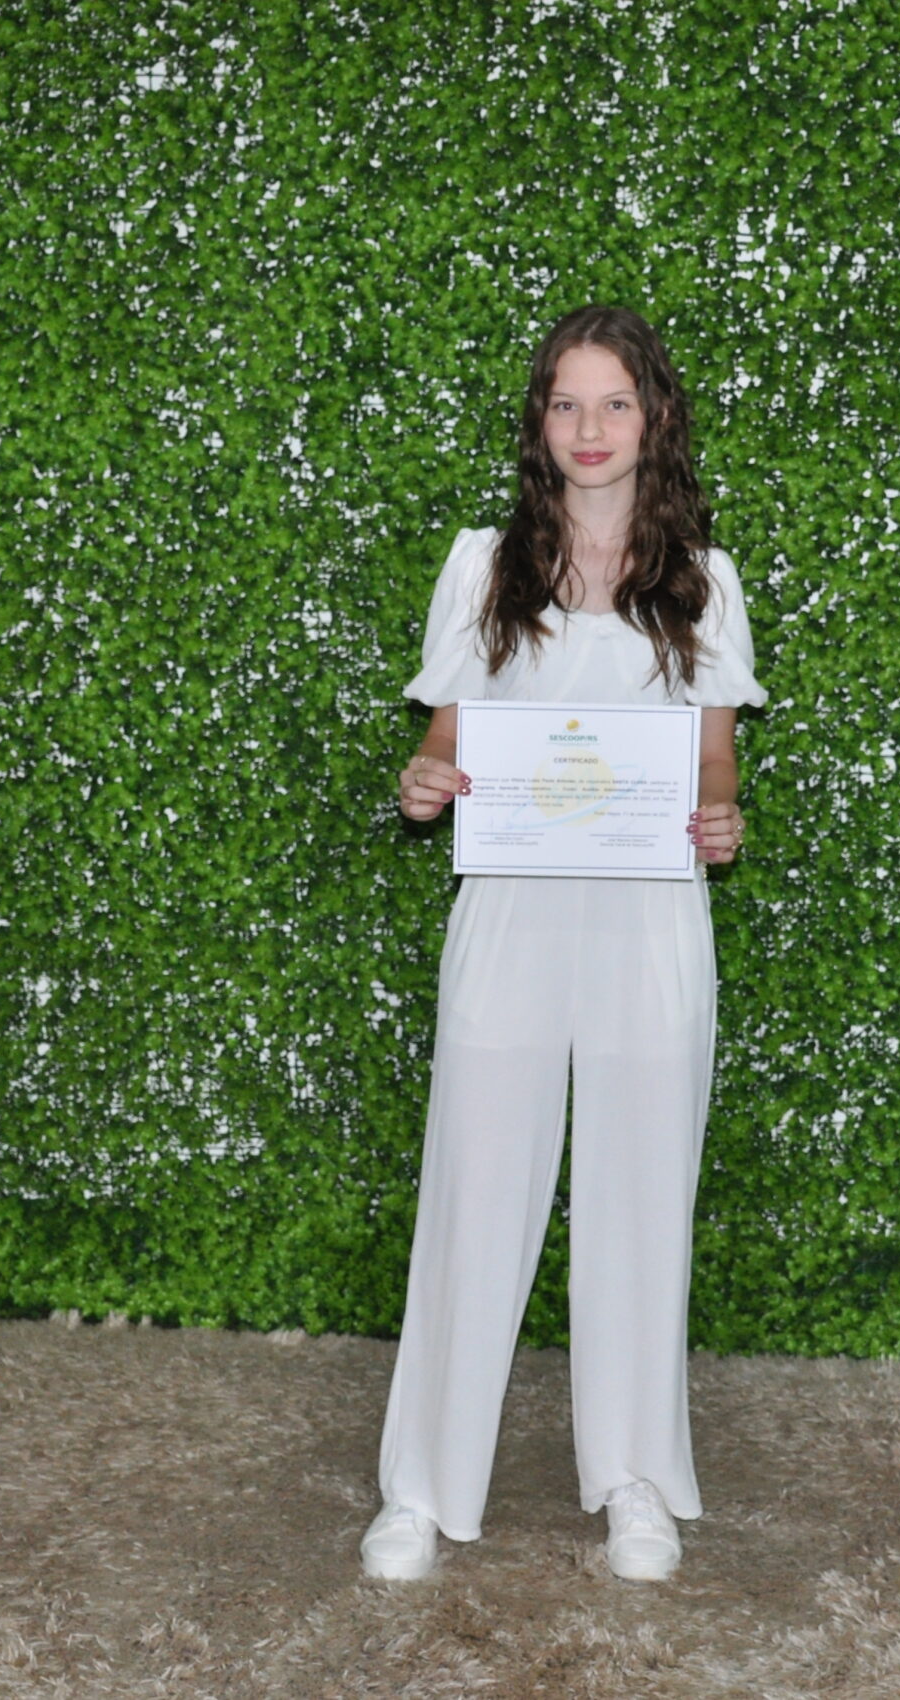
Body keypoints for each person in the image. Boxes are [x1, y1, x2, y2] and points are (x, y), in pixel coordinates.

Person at [360, 304, 765, 1583]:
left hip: (650, 923)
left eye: (615, 403)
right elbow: (446, 733)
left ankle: (636, 1480)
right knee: (472, 1188)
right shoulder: (484, 565)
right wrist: (427, 780)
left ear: (654, 419)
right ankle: (421, 1489)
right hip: (510, 912)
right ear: (539, 423)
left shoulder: (702, 578)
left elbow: (712, 761)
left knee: (643, 1192)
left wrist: (718, 816)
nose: (590, 428)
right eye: (565, 403)